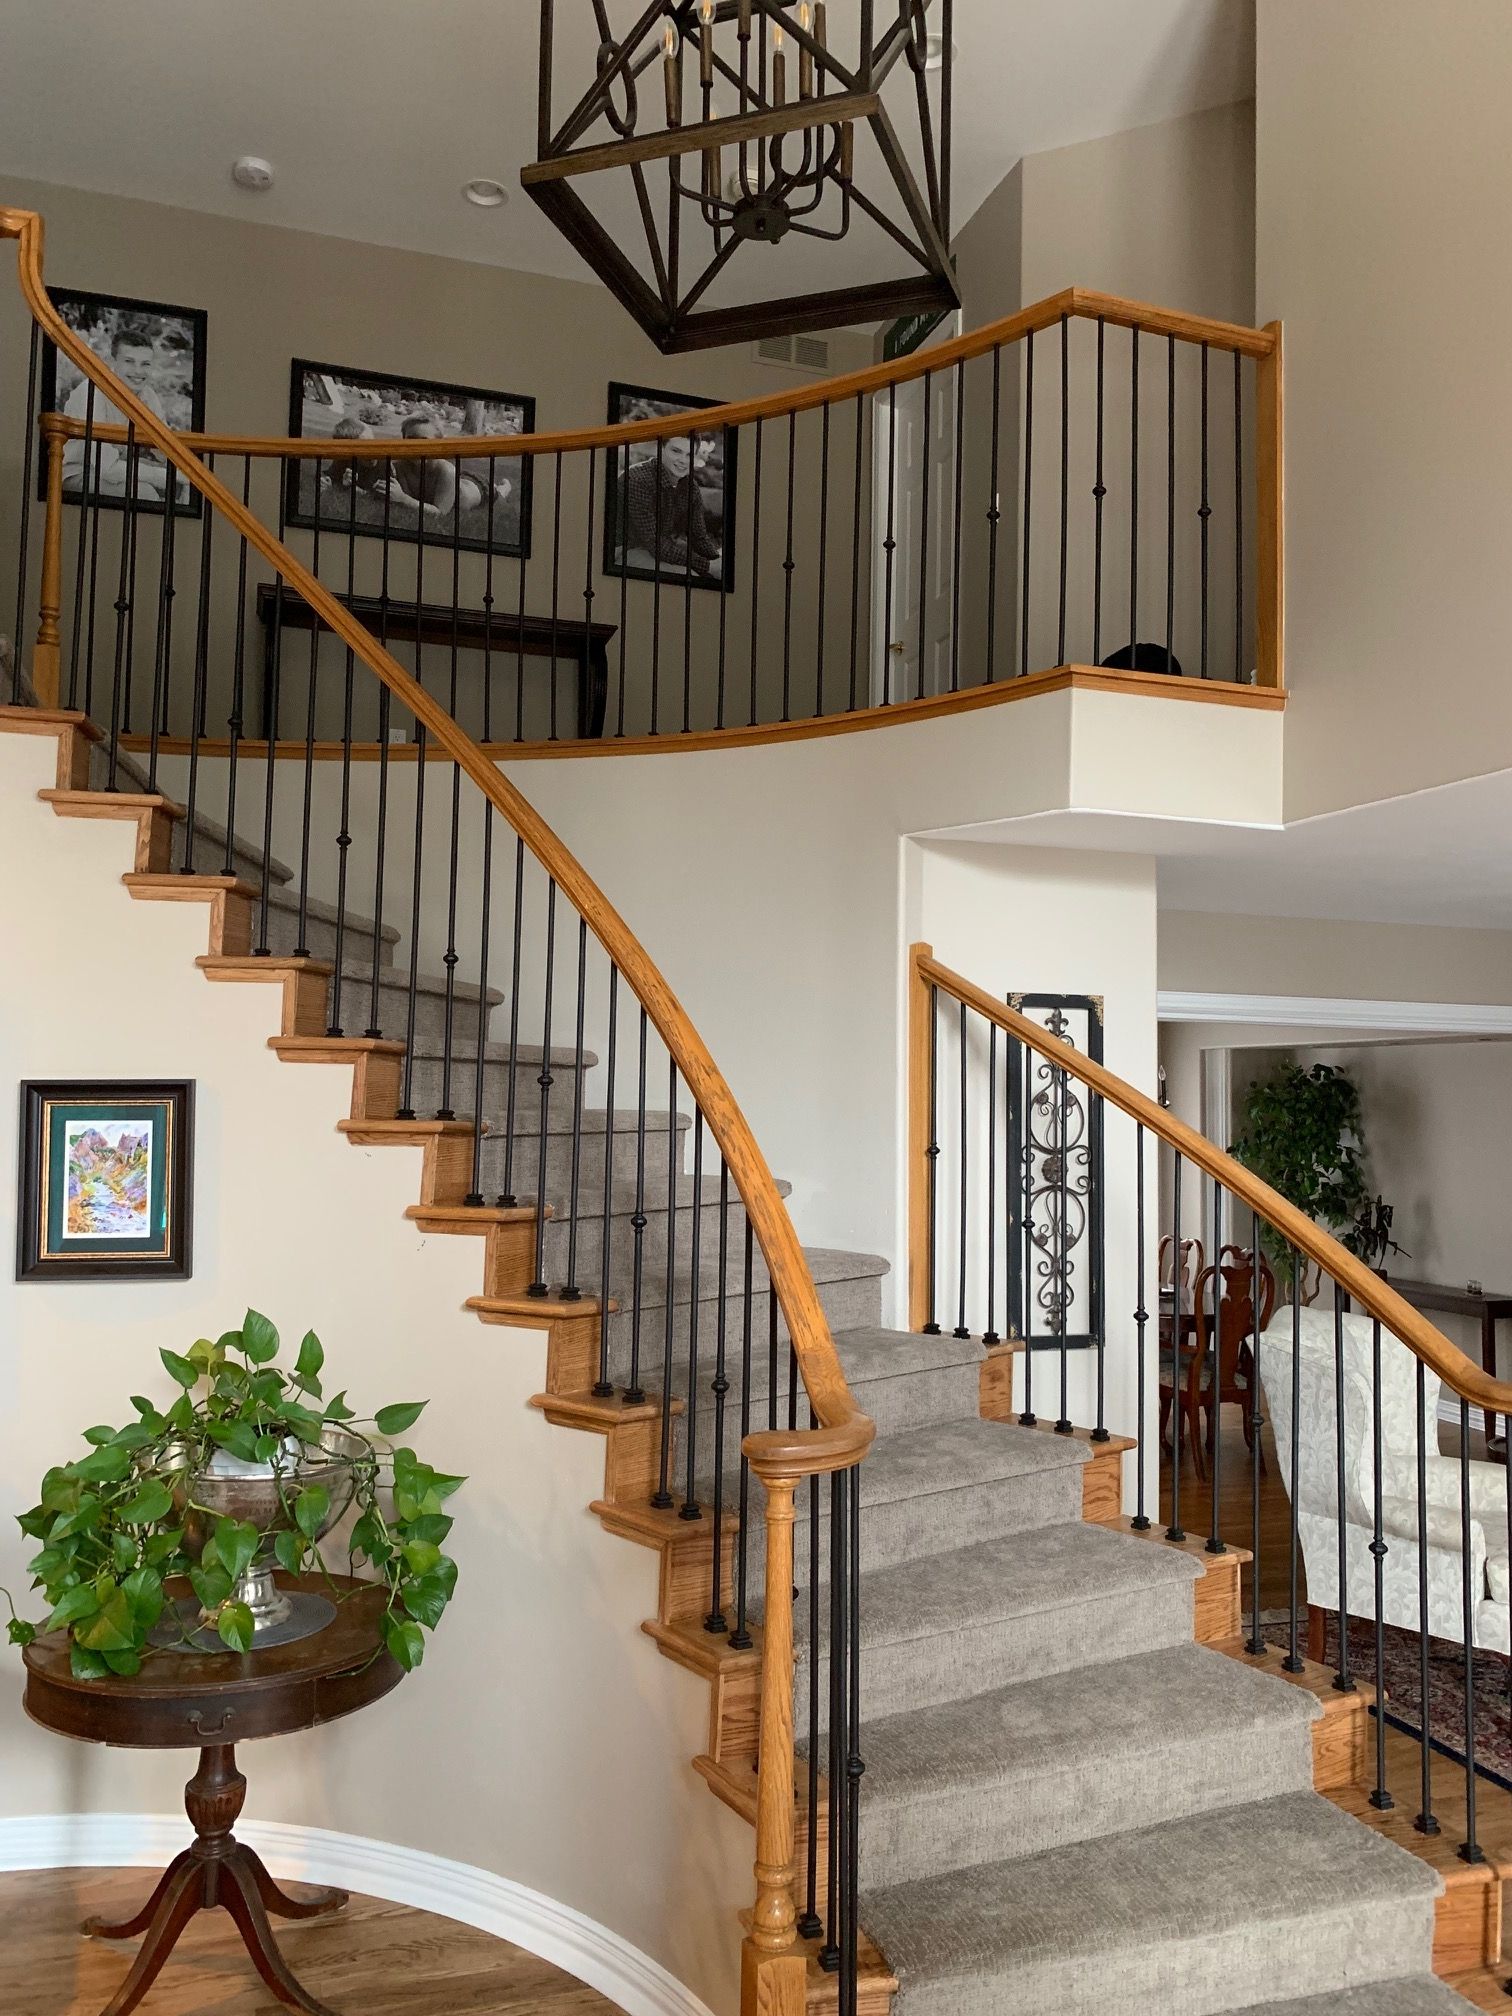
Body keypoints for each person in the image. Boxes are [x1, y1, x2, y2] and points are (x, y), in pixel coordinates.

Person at [61, 315, 175, 502]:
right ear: (113, 362)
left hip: (114, 467)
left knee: (186, 483)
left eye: (145, 364)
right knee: (145, 493)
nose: (138, 372)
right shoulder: (92, 392)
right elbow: (106, 467)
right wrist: (161, 477)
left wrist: (178, 472)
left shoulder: (147, 395)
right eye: (129, 361)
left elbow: (164, 448)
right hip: (77, 472)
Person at [619, 432, 722, 579]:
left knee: (717, 574)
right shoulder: (637, 479)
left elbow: (698, 536)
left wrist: (718, 563)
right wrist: (708, 566)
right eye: (676, 451)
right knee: (692, 576)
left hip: (661, 546)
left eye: (689, 455)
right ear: (661, 449)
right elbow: (655, 543)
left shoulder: (689, 486)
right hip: (626, 549)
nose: (683, 461)